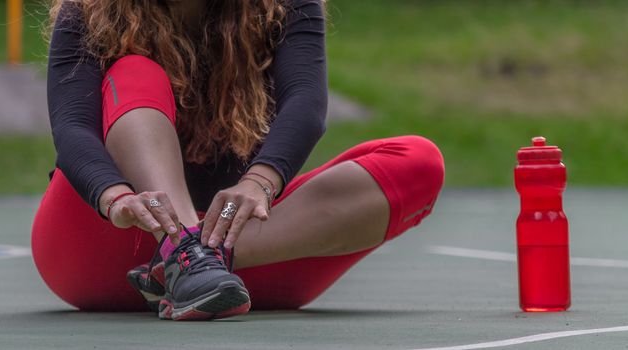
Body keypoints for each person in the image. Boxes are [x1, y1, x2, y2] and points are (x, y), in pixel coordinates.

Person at [32, 0, 445, 321]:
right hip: (112, 236)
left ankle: (195, 259)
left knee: (418, 161)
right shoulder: (88, 9)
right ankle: (180, 247)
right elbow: (72, 128)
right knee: (135, 70)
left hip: (235, 257)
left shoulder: (284, 6)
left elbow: (305, 104)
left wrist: (257, 183)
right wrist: (115, 196)